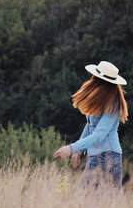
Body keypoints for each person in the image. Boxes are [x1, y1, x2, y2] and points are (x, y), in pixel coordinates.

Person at [54, 61, 128, 195]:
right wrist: (79, 151)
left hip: (108, 155)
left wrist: (71, 148)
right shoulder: (101, 99)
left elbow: (98, 135)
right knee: (92, 200)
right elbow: (90, 126)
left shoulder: (113, 104)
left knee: (91, 199)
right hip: (96, 154)